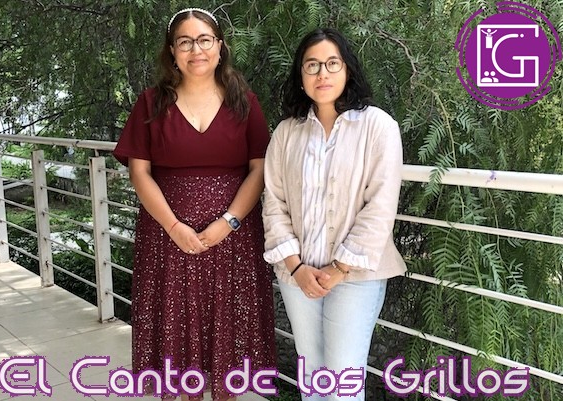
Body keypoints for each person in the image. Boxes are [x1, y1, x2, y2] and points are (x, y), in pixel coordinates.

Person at [113, 8, 276, 400]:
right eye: (185, 42)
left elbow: (260, 169)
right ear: (172, 51)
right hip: (167, 238)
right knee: (177, 337)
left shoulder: (245, 102)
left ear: (220, 47)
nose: (196, 50)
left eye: (204, 40)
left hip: (233, 240)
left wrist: (229, 221)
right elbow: (139, 173)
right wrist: (173, 226)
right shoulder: (150, 103)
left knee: (228, 344)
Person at [262, 28, 407, 401]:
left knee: (342, 380)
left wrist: (339, 268)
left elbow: (381, 205)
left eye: (332, 64)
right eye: (312, 65)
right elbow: (274, 202)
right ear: (301, 75)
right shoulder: (286, 133)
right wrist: (295, 266)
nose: (322, 73)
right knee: (312, 375)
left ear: (347, 70)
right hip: (298, 275)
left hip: (356, 275)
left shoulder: (378, 127)